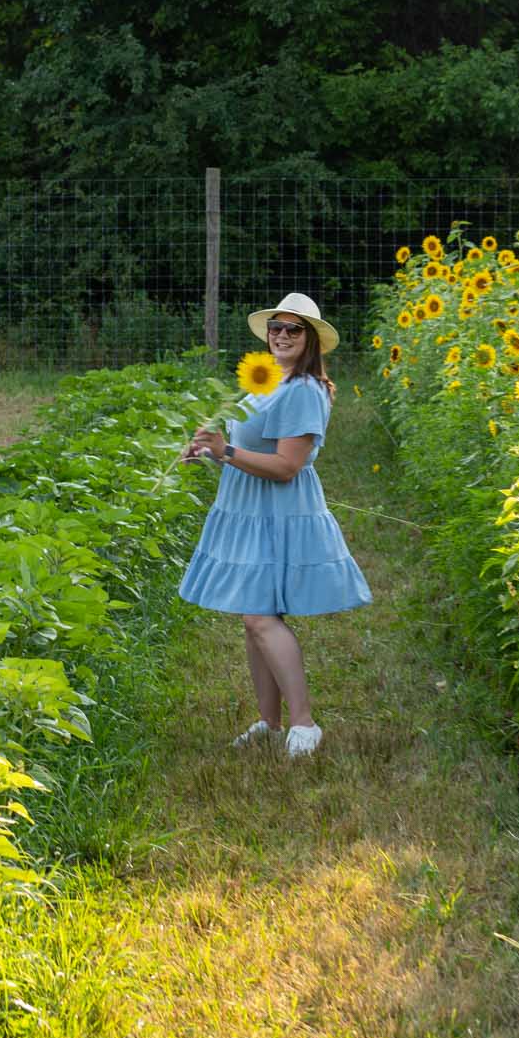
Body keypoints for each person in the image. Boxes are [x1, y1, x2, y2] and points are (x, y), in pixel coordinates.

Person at [177, 293, 372, 757]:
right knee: (253, 617)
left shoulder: (305, 390)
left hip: (278, 512)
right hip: (248, 506)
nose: (282, 335)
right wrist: (208, 449)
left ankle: (304, 724)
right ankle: (269, 723)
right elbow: (246, 442)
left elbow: (286, 466)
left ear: (311, 340)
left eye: (293, 329)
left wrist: (226, 451)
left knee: (260, 617)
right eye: (276, 328)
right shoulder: (268, 380)